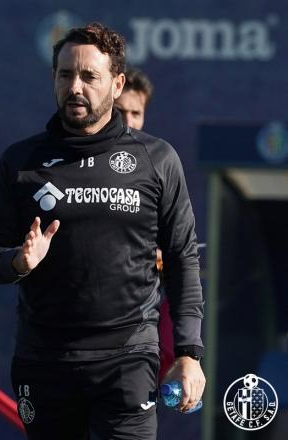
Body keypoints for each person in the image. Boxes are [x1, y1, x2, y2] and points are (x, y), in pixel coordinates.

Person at [0, 22, 205, 439]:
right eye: (66, 75)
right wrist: (17, 261)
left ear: (117, 84)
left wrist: (188, 352)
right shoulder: (21, 162)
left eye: (89, 76)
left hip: (128, 358)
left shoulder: (156, 159)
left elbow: (183, 257)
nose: (75, 87)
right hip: (45, 361)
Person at [114, 69, 175, 381]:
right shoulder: (73, 168)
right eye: (120, 111)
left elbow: (179, 249)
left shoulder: (160, 167)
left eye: (136, 113)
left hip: (140, 331)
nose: (128, 121)